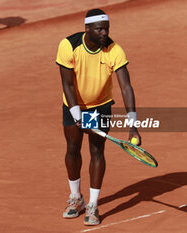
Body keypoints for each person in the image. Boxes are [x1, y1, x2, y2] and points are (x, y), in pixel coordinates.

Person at [56, 8, 141, 226]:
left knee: (96, 150)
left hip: (99, 107)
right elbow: (67, 84)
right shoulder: (69, 45)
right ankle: (76, 198)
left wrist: (133, 124)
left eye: (107, 29)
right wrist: (77, 115)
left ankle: (92, 204)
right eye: (100, 29)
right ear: (88, 29)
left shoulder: (114, 50)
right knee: (73, 149)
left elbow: (126, 87)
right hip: (74, 105)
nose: (104, 33)